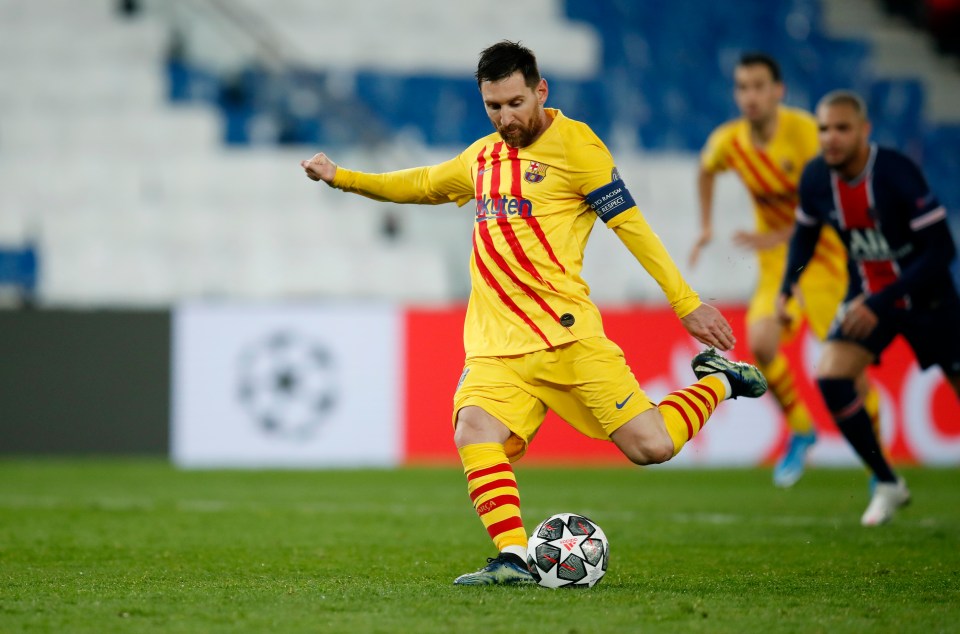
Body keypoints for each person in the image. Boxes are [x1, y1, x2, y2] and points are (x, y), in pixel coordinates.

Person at [301, 41, 767, 585]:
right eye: (493, 107)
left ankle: (718, 383)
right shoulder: (483, 157)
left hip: (566, 338)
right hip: (497, 347)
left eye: (515, 103)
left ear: (541, 90)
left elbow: (631, 227)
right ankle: (513, 558)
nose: (506, 118)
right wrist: (342, 176)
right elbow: (423, 184)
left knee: (652, 446)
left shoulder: (579, 147)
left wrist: (686, 303)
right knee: (472, 427)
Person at [690, 52, 881, 488]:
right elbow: (705, 170)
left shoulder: (808, 135)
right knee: (760, 341)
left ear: (779, 91)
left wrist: (773, 237)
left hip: (826, 261)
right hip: (779, 268)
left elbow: (830, 201)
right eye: (742, 87)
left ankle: (877, 461)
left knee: (848, 371)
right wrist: (705, 226)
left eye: (759, 86)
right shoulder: (730, 141)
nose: (750, 96)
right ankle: (800, 428)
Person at [778, 89, 960, 526]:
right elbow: (804, 235)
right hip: (868, 297)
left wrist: (880, 300)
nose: (831, 138)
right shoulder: (816, 179)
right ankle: (887, 482)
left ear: (864, 131)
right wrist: (786, 290)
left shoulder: (897, 173)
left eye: (842, 128)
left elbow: (942, 249)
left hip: (927, 298)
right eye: (824, 128)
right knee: (831, 374)